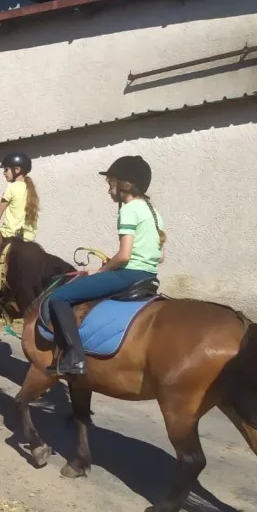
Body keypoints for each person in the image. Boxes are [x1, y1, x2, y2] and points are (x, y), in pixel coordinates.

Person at [45, 155, 166, 376]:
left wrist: (100, 270)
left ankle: (75, 357)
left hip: (129, 275)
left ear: (124, 185)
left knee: (59, 297)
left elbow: (124, 255)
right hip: (148, 276)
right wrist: (114, 261)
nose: (108, 190)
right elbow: (159, 256)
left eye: (111, 184)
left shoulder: (128, 209)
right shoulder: (153, 212)